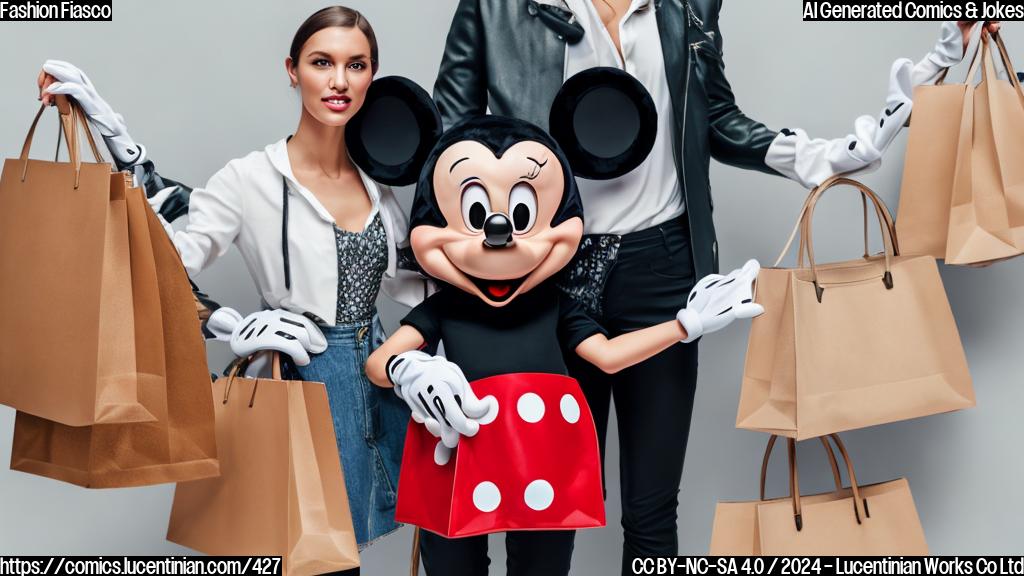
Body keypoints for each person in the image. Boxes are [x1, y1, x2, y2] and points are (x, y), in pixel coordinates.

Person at [429, 3, 998, 571]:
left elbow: (714, 116)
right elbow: (451, 149)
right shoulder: (495, 7)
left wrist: (821, 156)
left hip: (661, 267)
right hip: (539, 273)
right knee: (543, 510)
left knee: (652, 510)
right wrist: (435, 308)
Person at [38, 5, 431, 566]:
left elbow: (410, 286)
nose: (340, 81)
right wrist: (230, 324)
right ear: (292, 70)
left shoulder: (380, 185)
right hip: (296, 385)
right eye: (322, 63)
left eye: (357, 65)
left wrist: (424, 354)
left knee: (385, 540)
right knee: (314, 557)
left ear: (373, 75)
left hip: (379, 385)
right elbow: (169, 259)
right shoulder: (250, 179)